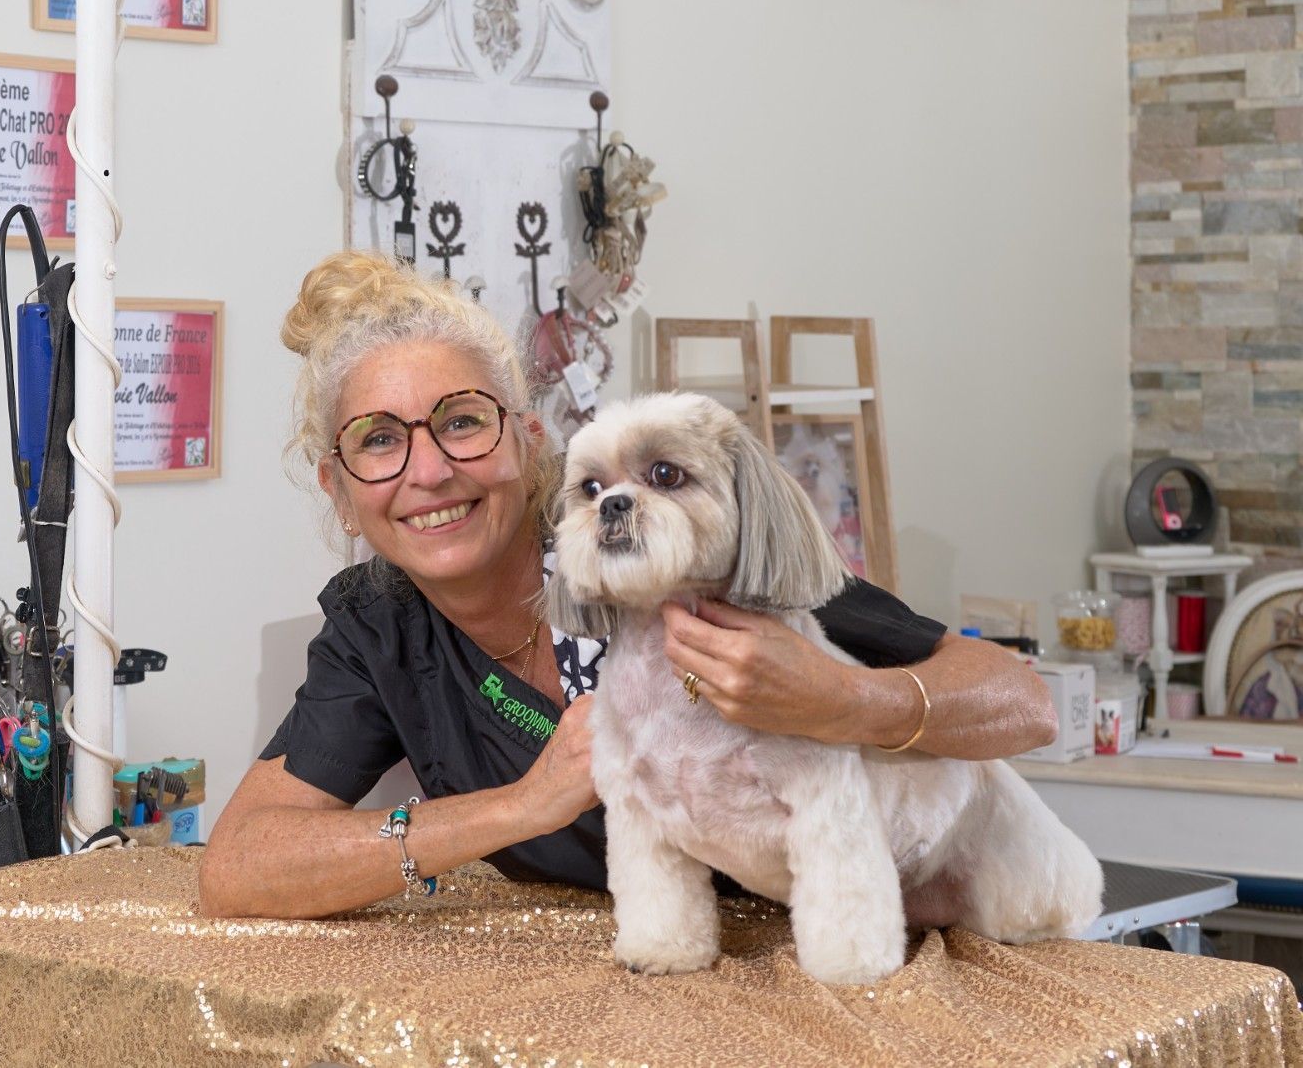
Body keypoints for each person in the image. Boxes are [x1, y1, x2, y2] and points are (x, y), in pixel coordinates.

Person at [199, 250, 1057, 919]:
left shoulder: (665, 535)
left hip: (870, 939)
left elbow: (1023, 702)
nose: (428, 470)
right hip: (648, 987)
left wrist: (843, 701)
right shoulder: (381, 628)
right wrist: (518, 806)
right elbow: (239, 865)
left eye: (462, 421)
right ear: (341, 492)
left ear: (528, 441)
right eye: (379, 440)